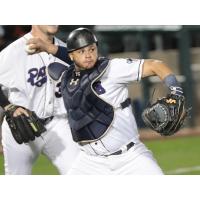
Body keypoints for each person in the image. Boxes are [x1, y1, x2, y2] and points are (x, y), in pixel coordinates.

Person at [27, 27, 184, 175]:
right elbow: (69, 55)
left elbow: (156, 65)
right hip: (90, 162)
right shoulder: (68, 76)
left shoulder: (113, 69)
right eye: (82, 51)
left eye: (92, 49)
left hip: (130, 157)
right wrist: (47, 47)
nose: (88, 55)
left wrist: (176, 91)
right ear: (71, 56)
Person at [0, 25, 79, 175]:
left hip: (59, 124)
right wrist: (8, 106)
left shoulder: (66, 50)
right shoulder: (13, 52)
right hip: (22, 124)